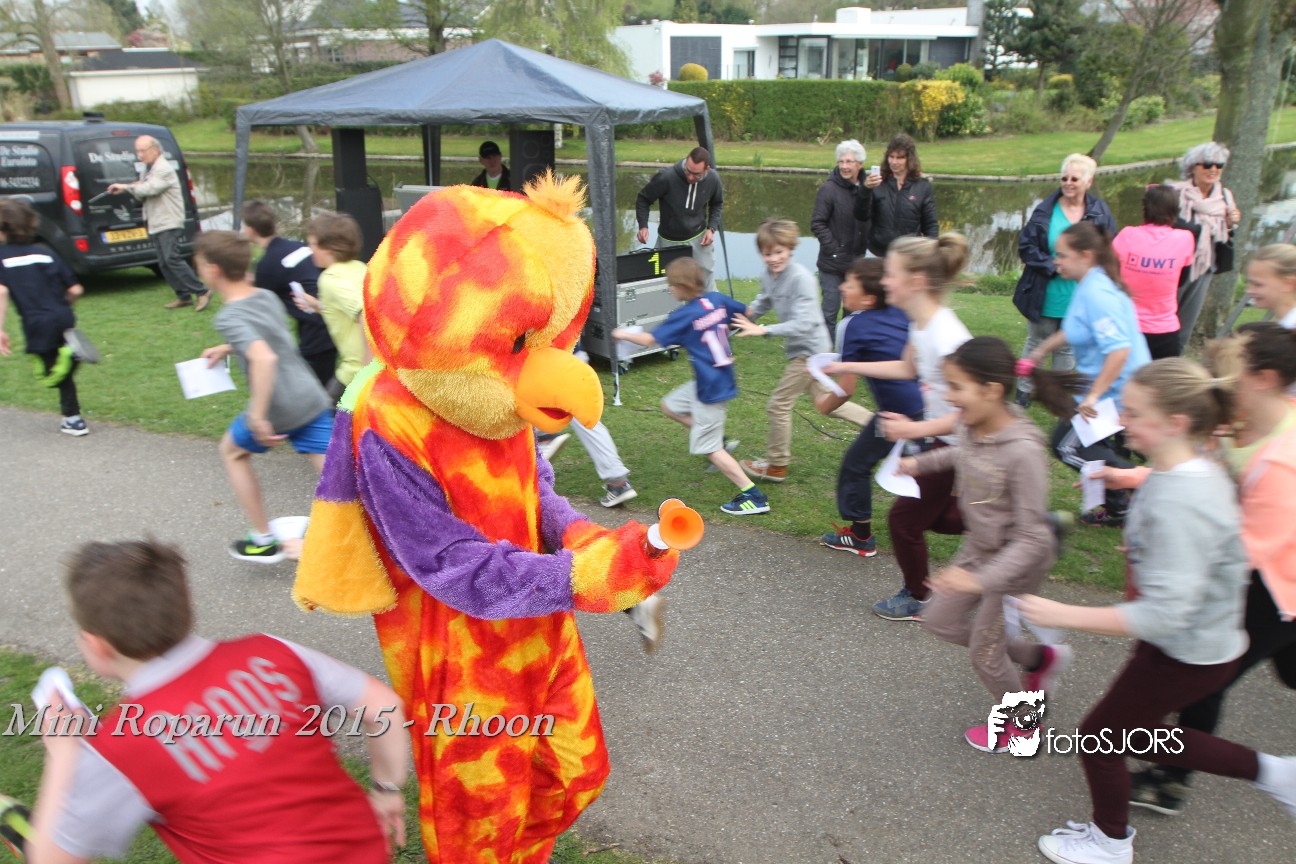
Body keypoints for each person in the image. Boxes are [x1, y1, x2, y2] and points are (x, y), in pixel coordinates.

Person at [1020, 358, 1296, 864]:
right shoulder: (1192, 464)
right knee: (1134, 734)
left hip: (1186, 647)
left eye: (1133, 412)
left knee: (1099, 739)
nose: (1121, 420)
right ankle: (1278, 774)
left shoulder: (1182, 499)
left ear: (1176, 422)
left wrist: (1061, 613)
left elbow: (1165, 614)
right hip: (1196, 642)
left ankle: (1109, 843)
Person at [22, 538, 409, 863]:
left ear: (97, 646)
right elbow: (383, 707)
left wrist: (65, 754)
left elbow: (51, 859)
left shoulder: (119, 749)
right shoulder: (272, 652)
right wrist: (387, 791)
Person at [1085, 324, 1296, 816]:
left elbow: (1246, 545)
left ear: (1264, 379)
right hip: (1243, 577)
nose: (1219, 380)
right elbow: (1192, 471)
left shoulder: (1283, 459)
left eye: (1232, 371)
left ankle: (1172, 781)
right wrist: (1134, 477)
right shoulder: (1238, 424)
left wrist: (1168, 550)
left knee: (1201, 675)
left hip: (1274, 590)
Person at [896, 337, 1065, 753]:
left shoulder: (1023, 452)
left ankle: (1024, 728)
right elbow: (961, 455)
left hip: (1016, 563)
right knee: (939, 620)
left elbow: (1032, 537)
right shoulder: (973, 424)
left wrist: (980, 581)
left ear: (992, 390)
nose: (949, 396)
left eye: (957, 387)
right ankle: (1038, 657)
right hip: (980, 548)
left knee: (985, 654)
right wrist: (919, 463)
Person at [823, 233, 973, 622]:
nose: (884, 281)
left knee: (904, 521)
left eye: (890, 273)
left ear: (916, 281)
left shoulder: (945, 337)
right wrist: (846, 366)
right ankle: (1011, 526)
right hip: (938, 436)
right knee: (934, 516)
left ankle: (919, 597)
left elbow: (972, 413)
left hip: (958, 441)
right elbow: (907, 368)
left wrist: (912, 430)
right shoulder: (920, 324)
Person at [197, 230, 334, 562]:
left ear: (213, 270)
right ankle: (374, 534)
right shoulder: (266, 296)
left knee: (231, 452)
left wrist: (258, 416)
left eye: (198, 264)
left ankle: (262, 539)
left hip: (279, 408)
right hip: (310, 395)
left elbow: (264, 356)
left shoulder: (229, 316)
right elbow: (272, 338)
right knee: (338, 476)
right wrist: (229, 347)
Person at [613, 257, 765, 516]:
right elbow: (747, 312)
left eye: (672, 284)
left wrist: (621, 333)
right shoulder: (717, 300)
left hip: (710, 389)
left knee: (710, 449)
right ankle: (718, 440)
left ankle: (754, 496)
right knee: (670, 405)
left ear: (682, 287)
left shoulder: (685, 315)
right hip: (717, 379)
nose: (670, 288)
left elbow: (649, 340)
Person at [1028, 222, 1150, 527]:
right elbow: (1076, 328)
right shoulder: (1089, 284)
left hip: (1118, 390)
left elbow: (1119, 350)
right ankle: (1120, 506)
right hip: (1109, 387)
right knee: (1085, 445)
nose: (1056, 261)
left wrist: (1094, 396)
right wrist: (1043, 349)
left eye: (1062, 255)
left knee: (1066, 444)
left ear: (1085, 255)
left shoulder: (1099, 293)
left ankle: (1143, 486)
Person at [732, 218, 872, 483]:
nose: (774, 258)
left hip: (810, 351)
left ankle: (777, 465)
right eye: (767, 253)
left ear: (790, 249)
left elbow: (805, 323)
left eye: (779, 252)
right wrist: (744, 316)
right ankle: (881, 426)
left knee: (778, 405)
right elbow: (764, 299)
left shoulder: (801, 278)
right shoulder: (769, 274)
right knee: (828, 401)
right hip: (801, 349)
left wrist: (764, 329)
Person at [817, 256, 922, 558]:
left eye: (850, 284)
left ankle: (861, 537)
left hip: (896, 412)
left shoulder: (852, 324)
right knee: (926, 468)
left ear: (868, 298)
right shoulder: (902, 311)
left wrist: (824, 405)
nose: (842, 287)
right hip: (926, 404)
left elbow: (846, 389)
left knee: (856, 465)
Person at [1012, 154, 1117, 405]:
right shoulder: (1044, 211)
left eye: (1074, 179)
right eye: (1064, 178)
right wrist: (1053, 265)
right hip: (1045, 291)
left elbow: (1108, 247)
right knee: (1037, 341)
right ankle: (1024, 390)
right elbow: (1027, 247)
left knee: (1067, 346)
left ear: (1089, 181)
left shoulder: (1099, 212)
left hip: (1079, 294)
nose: (1068, 183)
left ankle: (1058, 393)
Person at [0, 200, 92, 436]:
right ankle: (73, 419)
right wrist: (63, 307)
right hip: (63, 317)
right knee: (60, 367)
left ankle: (72, 356)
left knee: (49, 374)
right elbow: (76, 290)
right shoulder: (45, 253)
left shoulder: (2, 257)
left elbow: (1, 292)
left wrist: (0, 329)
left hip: (37, 322)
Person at [240, 200, 338, 389]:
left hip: (316, 332)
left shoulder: (266, 265)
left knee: (316, 390)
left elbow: (261, 305)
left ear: (250, 230)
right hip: (332, 317)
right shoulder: (298, 246)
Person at [106, 135, 209, 310]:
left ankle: (202, 291)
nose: (139, 155)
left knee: (172, 258)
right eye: (137, 151)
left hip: (168, 220)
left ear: (155, 150)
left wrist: (126, 186)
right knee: (164, 263)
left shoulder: (163, 168)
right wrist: (132, 188)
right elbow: (142, 194)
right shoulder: (148, 169)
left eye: (142, 150)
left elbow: (150, 189)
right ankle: (183, 296)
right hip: (155, 221)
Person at [1171, 141, 1242, 352]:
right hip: (1174, 265)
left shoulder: (1224, 196)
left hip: (1204, 266)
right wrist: (1199, 229)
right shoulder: (1176, 193)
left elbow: (1224, 233)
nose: (1213, 169)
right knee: (1165, 317)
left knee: (1187, 321)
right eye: (1207, 164)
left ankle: (1175, 360)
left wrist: (1229, 224)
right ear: (1192, 167)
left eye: (1219, 165)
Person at [1112, 184, 1197, 360]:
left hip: (1127, 328)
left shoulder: (1127, 235)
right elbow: (1182, 280)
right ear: (1175, 211)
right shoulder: (1185, 238)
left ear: (1144, 209)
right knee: (1161, 378)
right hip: (1165, 331)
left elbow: (1111, 273)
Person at [293, 212, 369, 400]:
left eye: (312, 244)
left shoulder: (330, 279)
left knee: (330, 412)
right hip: (382, 366)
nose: (310, 249)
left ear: (328, 248)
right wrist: (319, 306)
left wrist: (368, 367)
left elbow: (365, 313)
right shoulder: (360, 267)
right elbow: (350, 307)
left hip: (355, 371)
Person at [635, 146, 724, 292]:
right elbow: (643, 199)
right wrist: (643, 225)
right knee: (666, 286)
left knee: (706, 283)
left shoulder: (713, 179)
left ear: (707, 169)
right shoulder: (666, 177)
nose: (690, 177)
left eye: (696, 174)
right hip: (668, 240)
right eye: (688, 171)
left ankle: (710, 306)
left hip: (699, 240)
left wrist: (711, 228)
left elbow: (717, 203)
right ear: (686, 161)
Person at [810, 139, 868, 330]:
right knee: (829, 312)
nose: (844, 166)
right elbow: (817, 223)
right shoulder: (828, 190)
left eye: (849, 161)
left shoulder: (867, 189)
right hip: (831, 264)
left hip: (856, 264)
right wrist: (834, 249)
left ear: (859, 164)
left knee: (852, 313)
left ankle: (846, 347)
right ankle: (825, 348)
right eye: (841, 161)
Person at [853, 133, 938, 259]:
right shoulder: (877, 182)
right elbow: (861, 215)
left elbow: (930, 225)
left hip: (909, 256)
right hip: (877, 253)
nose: (894, 162)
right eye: (891, 157)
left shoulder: (923, 186)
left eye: (899, 158)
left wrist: (933, 255)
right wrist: (865, 190)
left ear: (910, 159)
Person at [1244, 243, 1296, 332]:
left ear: (1288, 284)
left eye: (1258, 284)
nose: (1249, 291)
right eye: (1249, 284)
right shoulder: (1284, 326)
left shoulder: (1291, 330)